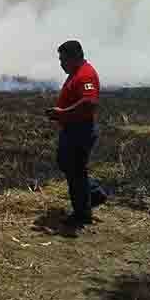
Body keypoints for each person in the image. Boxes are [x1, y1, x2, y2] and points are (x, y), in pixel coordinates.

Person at [46, 40, 108, 227]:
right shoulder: (76, 73)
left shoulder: (85, 75)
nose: (61, 64)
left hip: (80, 130)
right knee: (68, 165)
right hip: (72, 128)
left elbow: (89, 103)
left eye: (63, 60)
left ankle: (82, 213)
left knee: (75, 171)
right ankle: (93, 194)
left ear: (74, 58)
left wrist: (62, 113)